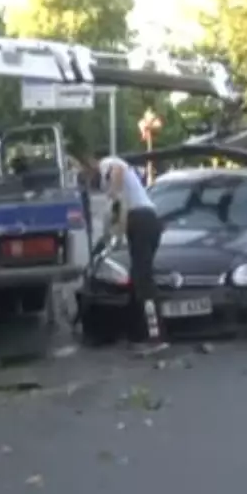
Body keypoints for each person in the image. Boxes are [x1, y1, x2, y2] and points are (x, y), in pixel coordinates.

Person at [84, 150, 167, 353]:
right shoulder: (103, 179)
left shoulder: (109, 164)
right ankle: (139, 331)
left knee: (143, 280)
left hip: (142, 219)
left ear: (93, 161)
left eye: (85, 169)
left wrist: (114, 193)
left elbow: (119, 171)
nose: (86, 175)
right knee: (138, 278)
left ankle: (154, 337)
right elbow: (117, 217)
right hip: (142, 222)